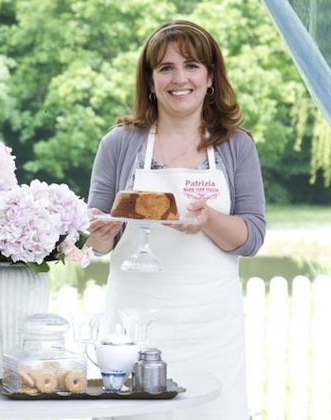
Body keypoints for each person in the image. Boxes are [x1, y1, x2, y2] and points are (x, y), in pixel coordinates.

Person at [87, 20, 266, 419]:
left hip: (211, 330)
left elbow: (252, 237)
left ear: (210, 78)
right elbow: (97, 243)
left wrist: (209, 220)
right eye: (165, 68)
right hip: (132, 327)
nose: (179, 78)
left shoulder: (236, 146)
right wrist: (99, 231)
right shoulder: (119, 144)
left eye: (191, 66)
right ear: (150, 82)